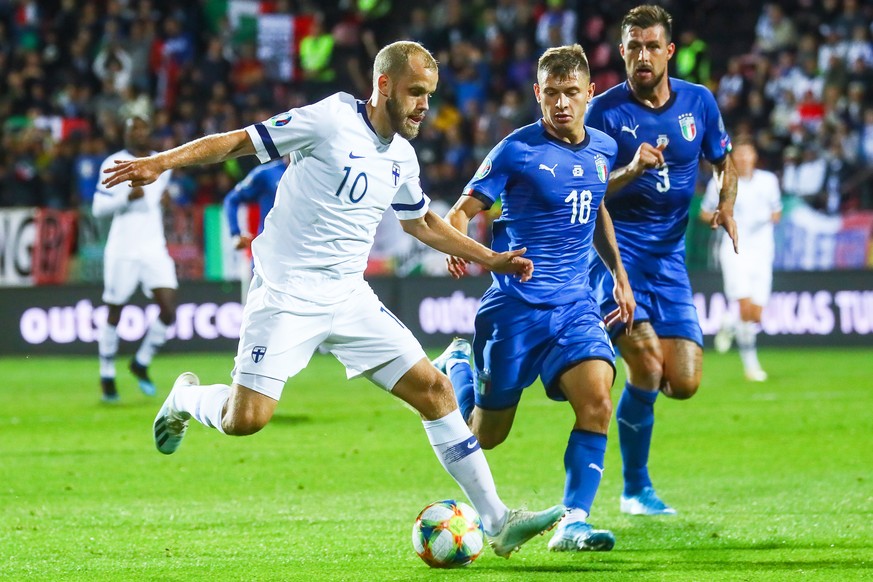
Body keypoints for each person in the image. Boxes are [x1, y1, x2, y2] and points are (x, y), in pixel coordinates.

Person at [102, 41, 564, 558]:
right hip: (286, 293)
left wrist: (490, 258)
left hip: (348, 296)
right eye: (414, 93)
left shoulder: (402, 157)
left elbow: (421, 222)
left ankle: (499, 521)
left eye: (429, 96)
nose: (422, 106)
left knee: (435, 391)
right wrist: (161, 161)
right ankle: (184, 399)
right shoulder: (328, 120)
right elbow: (237, 142)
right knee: (245, 420)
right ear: (383, 85)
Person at [434, 44, 635, 552]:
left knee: (597, 402)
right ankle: (460, 363)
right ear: (537, 94)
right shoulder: (515, 151)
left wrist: (619, 275)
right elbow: (460, 212)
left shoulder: (604, 149)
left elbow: (595, 210)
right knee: (487, 435)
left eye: (572, 93)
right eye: (551, 94)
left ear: (590, 92)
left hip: (575, 306)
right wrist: (465, 248)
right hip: (515, 312)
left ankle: (573, 522)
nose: (562, 103)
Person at [584, 5, 738, 516]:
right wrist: (630, 168)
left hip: (669, 260)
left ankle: (631, 451)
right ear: (622, 51)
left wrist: (726, 202)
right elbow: (583, 189)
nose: (643, 56)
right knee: (647, 366)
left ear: (669, 51)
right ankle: (635, 489)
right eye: (634, 47)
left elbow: (723, 160)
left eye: (652, 46)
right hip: (614, 259)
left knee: (686, 382)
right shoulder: (604, 113)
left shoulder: (699, 102)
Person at [93, 115, 177, 403]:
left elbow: (159, 198)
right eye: (132, 129)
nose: (138, 133)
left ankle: (140, 362)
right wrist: (125, 199)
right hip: (123, 248)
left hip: (154, 246)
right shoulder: (113, 163)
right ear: (125, 134)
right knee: (115, 310)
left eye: (142, 128)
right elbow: (97, 208)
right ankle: (107, 375)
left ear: (149, 132)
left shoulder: (161, 162)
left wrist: (166, 202)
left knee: (168, 310)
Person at [700, 139, 782, 381]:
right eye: (741, 154)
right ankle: (751, 366)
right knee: (745, 307)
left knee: (755, 315)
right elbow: (705, 213)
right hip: (734, 249)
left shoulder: (769, 181)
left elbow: (777, 212)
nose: (745, 158)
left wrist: (764, 218)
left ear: (755, 157)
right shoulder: (722, 180)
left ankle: (728, 322)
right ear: (734, 157)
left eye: (749, 154)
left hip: (763, 251)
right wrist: (719, 218)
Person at [222, 157, 285, 301]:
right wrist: (235, 233)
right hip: (268, 255)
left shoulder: (314, 173)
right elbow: (232, 199)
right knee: (258, 309)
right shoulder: (267, 173)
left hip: (303, 256)